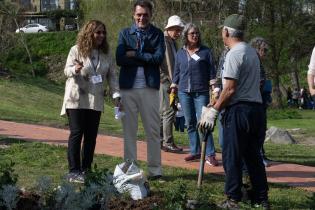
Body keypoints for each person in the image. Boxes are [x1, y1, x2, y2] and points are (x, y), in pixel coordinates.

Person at [198, 14, 269, 209]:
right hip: (256, 110)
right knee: (253, 156)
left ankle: (233, 199)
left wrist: (214, 110)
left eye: (223, 30)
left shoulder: (234, 53)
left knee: (232, 156)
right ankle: (261, 198)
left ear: (227, 32)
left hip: (239, 111)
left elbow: (229, 89)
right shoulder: (252, 52)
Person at [61, 20, 120, 183]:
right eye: (98, 32)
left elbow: (113, 76)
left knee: (91, 136)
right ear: (89, 33)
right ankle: (74, 171)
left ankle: (86, 170)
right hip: (77, 98)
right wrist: (75, 69)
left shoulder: (107, 54)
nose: (101, 35)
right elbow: (66, 70)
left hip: (96, 99)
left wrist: (116, 95)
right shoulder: (76, 50)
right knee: (77, 132)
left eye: (103, 33)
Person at [116, 0, 165, 179]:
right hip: (128, 88)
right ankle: (130, 169)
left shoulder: (157, 34)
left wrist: (135, 54)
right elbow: (120, 59)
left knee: (152, 130)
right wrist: (146, 57)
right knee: (129, 130)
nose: (142, 18)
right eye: (139, 14)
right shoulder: (124, 33)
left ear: (150, 15)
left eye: (145, 15)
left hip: (149, 88)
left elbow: (158, 58)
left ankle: (155, 170)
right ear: (133, 15)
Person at [171, 23, 218, 166]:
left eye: (197, 33)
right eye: (192, 33)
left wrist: (215, 90)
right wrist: (173, 89)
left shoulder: (205, 52)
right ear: (186, 36)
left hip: (201, 92)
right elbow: (177, 73)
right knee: (190, 122)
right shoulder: (180, 53)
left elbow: (212, 72)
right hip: (184, 92)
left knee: (204, 122)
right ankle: (195, 151)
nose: (195, 35)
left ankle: (210, 154)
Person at [160, 15, 184, 153]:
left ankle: (160, 141)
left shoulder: (172, 41)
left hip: (169, 81)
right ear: (169, 28)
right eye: (176, 29)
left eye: (180, 30)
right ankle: (167, 142)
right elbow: (168, 64)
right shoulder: (164, 41)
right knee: (169, 111)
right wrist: (173, 83)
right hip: (166, 81)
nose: (178, 33)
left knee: (164, 112)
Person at [250, 37, 271, 167]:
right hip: (255, 100)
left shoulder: (259, 62)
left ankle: (260, 153)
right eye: (264, 50)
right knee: (257, 130)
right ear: (257, 50)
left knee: (261, 129)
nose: (266, 53)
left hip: (261, 99)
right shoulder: (253, 62)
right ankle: (257, 156)